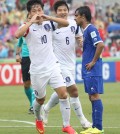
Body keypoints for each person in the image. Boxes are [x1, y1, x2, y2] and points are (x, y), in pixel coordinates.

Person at [15, 0, 77, 134]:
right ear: (29, 13)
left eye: (39, 10)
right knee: (40, 99)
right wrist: (31, 21)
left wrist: (47, 17)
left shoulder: (49, 23)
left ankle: (66, 125)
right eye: (34, 10)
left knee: (63, 94)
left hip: (53, 66)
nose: (38, 13)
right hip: (37, 70)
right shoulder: (27, 27)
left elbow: (65, 23)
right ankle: (38, 119)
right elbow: (17, 35)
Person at [42, 0, 91, 129]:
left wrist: (81, 42)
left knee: (63, 91)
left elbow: (79, 37)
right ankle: (83, 121)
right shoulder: (51, 25)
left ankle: (46, 108)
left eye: (64, 10)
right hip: (58, 64)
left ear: (68, 11)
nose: (62, 12)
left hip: (71, 63)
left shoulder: (74, 23)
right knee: (74, 91)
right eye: (60, 10)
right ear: (55, 12)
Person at [74, 6, 104, 134]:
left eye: (76, 15)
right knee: (91, 97)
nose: (75, 18)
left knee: (94, 95)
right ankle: (94, 126)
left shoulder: (91, 29)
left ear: (83, 16)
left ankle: (98, 128)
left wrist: (93, 61)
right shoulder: (85, 30)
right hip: (88, 69)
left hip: (92, 68)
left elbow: (100, 45)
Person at [16, 33, 35, 114]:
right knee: (26, 84)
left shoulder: (38, 29)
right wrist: (17, 54)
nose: (30, 19)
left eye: (31, 18)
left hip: (36, 57)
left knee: (35, 83)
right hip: (26, 58)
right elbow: (19, 43)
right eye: (28, 18)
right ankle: (32, 104)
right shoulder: (23, 29)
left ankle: (34, 106)